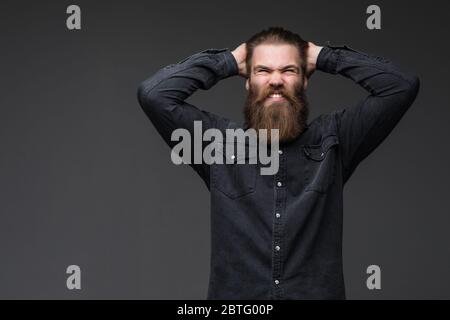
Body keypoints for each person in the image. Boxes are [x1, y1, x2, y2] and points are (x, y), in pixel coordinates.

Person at [136, 27, 420, 299]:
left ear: (304, 80)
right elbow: (155, 95)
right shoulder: (217, 144)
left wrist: (322, 56)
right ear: (247, 80)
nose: (275, 80)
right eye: (263, 70)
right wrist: (228, 61)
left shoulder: (336, 139)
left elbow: (400, 86)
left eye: (288, 70)